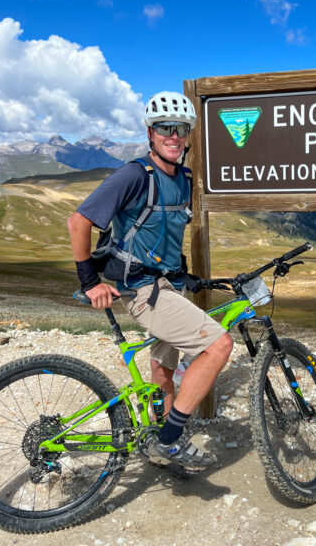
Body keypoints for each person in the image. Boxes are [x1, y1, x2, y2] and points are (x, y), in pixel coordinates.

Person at [67, 91, 233, 471]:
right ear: (150, 133)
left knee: (163, 370)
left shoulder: (184, 177)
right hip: (142, 291)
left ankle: (159, 439)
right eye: (164, 128)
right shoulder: (133, 175)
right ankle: (168, 441)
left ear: (189, 135)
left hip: (164, 285)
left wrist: (182, 274)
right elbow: (78, 222)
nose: (173, 136)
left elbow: (163, 232)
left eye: (180, 129)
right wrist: (91, 282)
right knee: (219, 346)